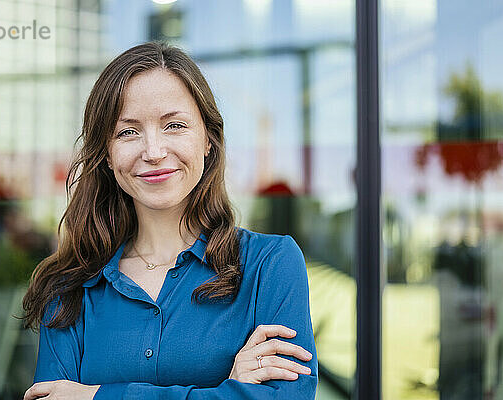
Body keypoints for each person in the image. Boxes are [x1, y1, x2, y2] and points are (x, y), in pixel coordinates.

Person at [22, 41, 318, 399]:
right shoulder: (69, 288)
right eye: (128, 131)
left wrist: (95, 395)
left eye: (174, 125)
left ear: (208, 139)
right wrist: (230, 390)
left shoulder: (270, 265)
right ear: (107, 154)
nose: (154, 151)